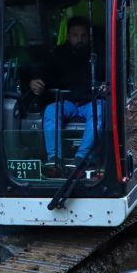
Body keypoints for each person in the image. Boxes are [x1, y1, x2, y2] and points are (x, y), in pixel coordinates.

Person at [28, 17, 103, 178]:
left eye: (83, 35)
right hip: (67, 102)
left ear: (89, 37)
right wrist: (35, 82)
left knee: (100, 111)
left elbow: (111, 78)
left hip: (91, 102)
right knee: (50, 111)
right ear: (68, 36)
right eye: (75, 35)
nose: (79, 39)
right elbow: (43, 74)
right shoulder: (58, 54)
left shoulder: (99, 54)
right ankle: (54, 160)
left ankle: (81, 159)